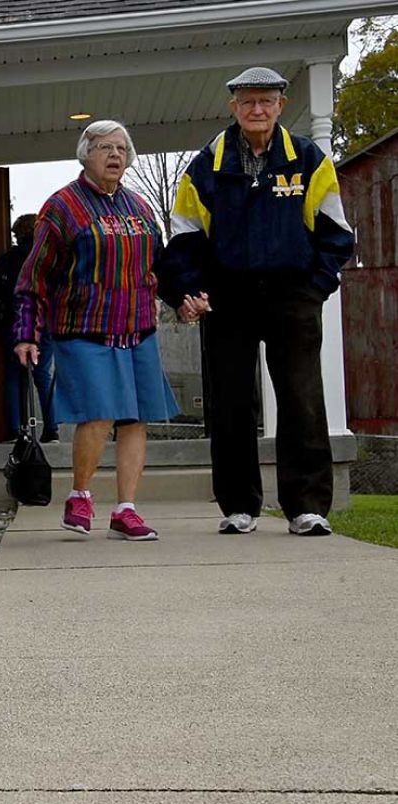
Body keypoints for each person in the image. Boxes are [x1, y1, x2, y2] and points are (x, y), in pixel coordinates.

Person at [158, 67, 355, 537]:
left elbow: (337, 234)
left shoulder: (308, 158)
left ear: (281, 106)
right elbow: (184, 237)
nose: (257, 110)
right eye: (247, 102)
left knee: (302, 399)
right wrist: (191, 290)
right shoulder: (208, 164)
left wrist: (315, 287)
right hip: (228, 299)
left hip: (293, 297)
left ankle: (307, 507)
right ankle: (239, 505)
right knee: (229, 403)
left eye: (266, 101)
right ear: (234, 108)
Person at [13, 120, 178, 541]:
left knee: (136, 418)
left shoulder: (140, 209)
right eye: (104, 147)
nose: (115, 155)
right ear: (85, 154)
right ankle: (80, 495)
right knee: (100, 412)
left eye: (122, 148)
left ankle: (126, 510)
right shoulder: (63, 206)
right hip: (84, 328)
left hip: (137, 327)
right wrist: (27, 331)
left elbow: (158, 267)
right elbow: (35, 275)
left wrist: (184, 297)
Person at [0, 214, 56, 442]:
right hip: (45, 322)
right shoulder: (49, 258)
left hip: (17, 324)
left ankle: (16, 430)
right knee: (43, 375)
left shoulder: (11, 258)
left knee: (14, 375)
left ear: (19, 234)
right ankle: (51, 429)